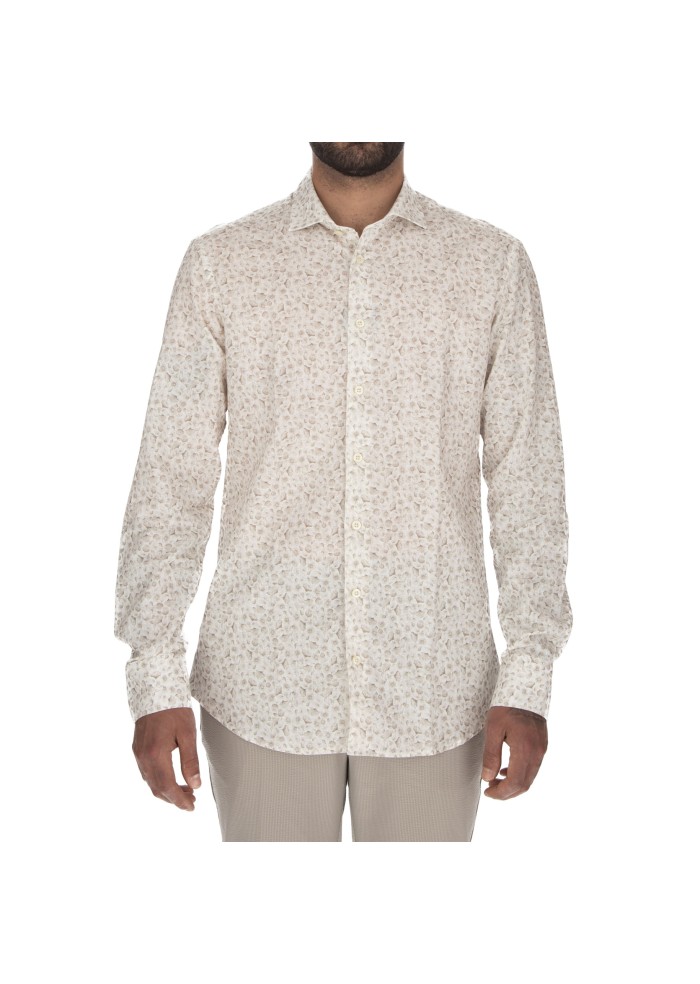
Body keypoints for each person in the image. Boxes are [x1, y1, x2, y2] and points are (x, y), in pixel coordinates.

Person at [114, 142, 573, 841]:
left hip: (434, 685)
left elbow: (528, 481)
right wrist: (153, 675)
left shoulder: (490, 266)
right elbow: (171, 478)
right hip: (262, 684)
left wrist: (529, 672)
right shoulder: (223, 264)